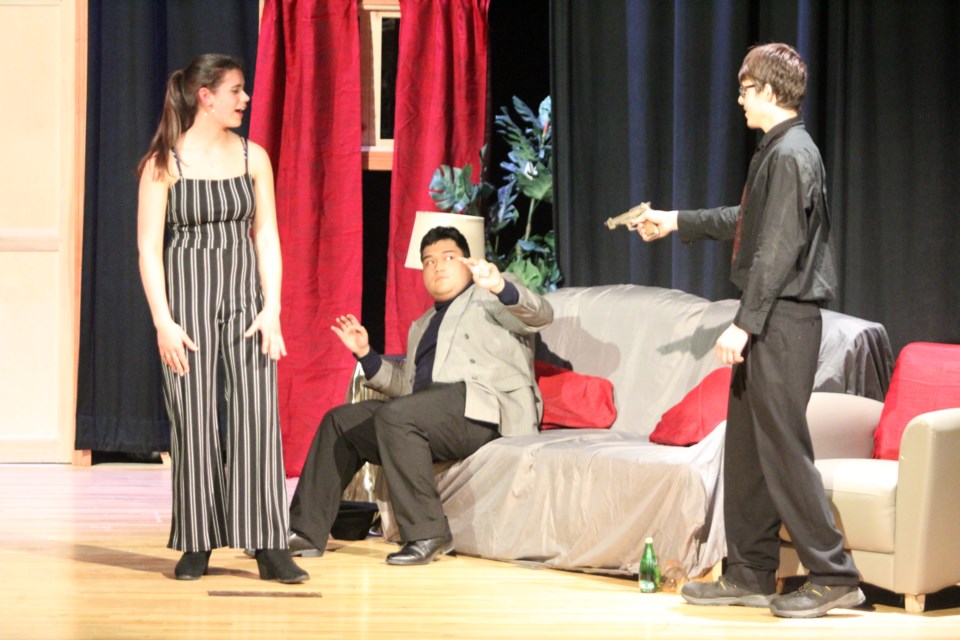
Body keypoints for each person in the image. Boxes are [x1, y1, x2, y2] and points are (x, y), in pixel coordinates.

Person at [633, 43, 863, 618]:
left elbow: (777, 249)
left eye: (743, 89)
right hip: (771, 316)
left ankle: (834, 574)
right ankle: (751, 572)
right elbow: (749, 223)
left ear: (767, 90)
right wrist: (677, 220)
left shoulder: (791, 154)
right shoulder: (777, 151)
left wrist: (743, 324)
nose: (737, 100)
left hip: (782, 318)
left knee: (783, 450)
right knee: (747, 453)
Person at [287, 226, 553, 565]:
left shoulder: (490, 296)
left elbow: (541, 315)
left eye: (448, 258)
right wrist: (367, 355)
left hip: (483, 408)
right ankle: (305, 532)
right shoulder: (422, 325)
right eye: (428, 262)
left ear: (468, 263)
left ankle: (428, 532)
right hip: (431, 412)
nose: (437, 267)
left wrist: (499, 285)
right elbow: (407, 388)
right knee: (341, 422)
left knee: (399, 415)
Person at [136, 54, 307, 583]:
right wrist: (163, 321)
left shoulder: (253, 157)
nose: (245, 99)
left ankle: (267, 544)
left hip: (245, 306)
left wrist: (273, 308)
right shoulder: (165, 162)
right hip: (186, 308)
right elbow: (148, 248)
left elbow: (267, 236)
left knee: (257, 419)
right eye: (235, 90)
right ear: (205, 96)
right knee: (194, 421)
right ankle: (197, 541)